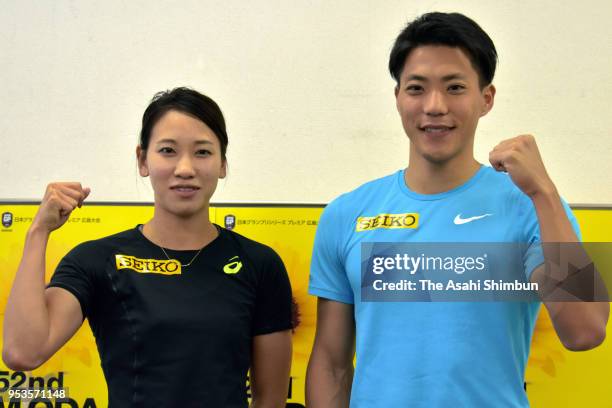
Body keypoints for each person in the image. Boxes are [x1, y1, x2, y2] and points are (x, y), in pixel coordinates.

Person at [306, 12, 609, 407]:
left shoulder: (531, 207)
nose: (434, 106)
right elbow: (331, 364)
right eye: (417, 88)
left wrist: (545, 192)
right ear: (397, 97)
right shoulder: (347, 215)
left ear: (486, 98)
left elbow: (584, 330)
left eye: (454, 87)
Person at [3, 87, 293, 407]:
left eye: (203, 152)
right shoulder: (97, 261)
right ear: (143, 160)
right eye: (168, 150)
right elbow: (23, 352)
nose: (185, 168)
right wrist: (38, 232)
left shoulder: (259, 264)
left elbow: (270, 399)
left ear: (223, 163)